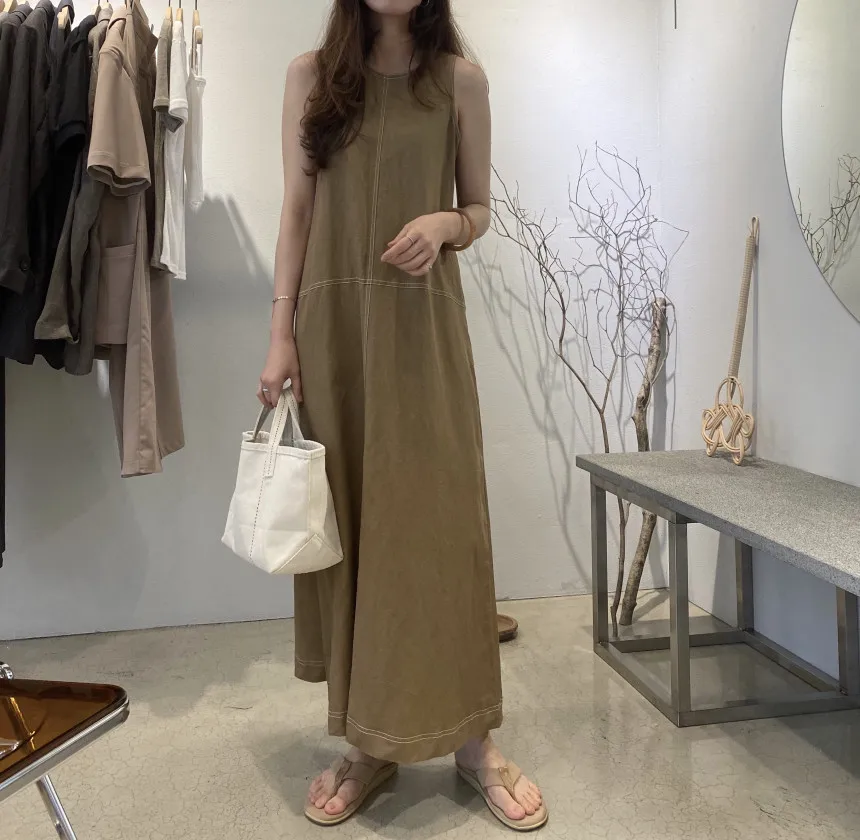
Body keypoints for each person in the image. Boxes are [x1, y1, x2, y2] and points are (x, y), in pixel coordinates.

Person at [257, 0, 547, 831]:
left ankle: (473, 742)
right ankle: (369, 743)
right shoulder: (310, 78)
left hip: (422, 331)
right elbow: (297, 210)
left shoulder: (462, 82)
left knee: (440, 528)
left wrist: (447, 222)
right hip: (334, 333)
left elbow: (480, 209)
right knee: (352, 532)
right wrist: (281, 334)